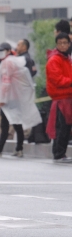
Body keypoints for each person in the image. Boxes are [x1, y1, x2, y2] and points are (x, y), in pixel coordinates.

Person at [0, 42, 41, 158]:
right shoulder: (13, 60)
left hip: (8, 99)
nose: (0, 53)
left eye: (2, 50)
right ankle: (18, 149)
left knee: (6, 124)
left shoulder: (7, 63)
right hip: (14, 97)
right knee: (16, 123)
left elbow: (6, 82)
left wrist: (3, 98)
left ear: (8, 50)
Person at [45, 33, 72, 162]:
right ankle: (59, 153)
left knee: (64, 127)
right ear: (56, 44)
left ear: (69, 44)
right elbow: (57, 80)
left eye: (65, 43)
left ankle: (59, 153)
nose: (63, 45)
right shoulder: (55, 59)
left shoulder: (66, 59)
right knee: (62, 128)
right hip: (61, 98)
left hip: (67, 96)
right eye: (60, 43)